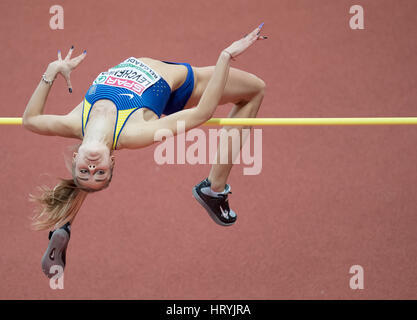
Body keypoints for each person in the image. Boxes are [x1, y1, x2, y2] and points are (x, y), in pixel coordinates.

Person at [23, 24, 267, 277]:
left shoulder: (75, 122)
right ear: (112, 161)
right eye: (100, 172)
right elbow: (201, 113)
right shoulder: (133, 134)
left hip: (160, 83)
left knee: (84, 176)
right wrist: (225, 57)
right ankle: (214, 189)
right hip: (183, 86)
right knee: (255, 89)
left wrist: (52, 70)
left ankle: (64, 222)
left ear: (76, 157)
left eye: (86, 170)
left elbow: (30, 120)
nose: (93, 167)